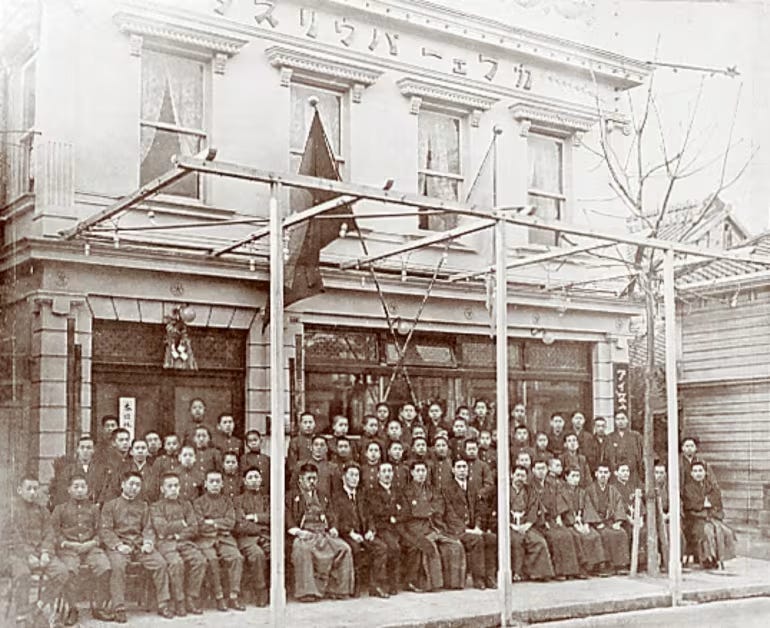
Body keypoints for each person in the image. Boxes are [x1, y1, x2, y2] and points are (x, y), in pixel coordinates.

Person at [100, 471, 173, 622]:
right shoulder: (110, 505)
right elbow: (105, 530)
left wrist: (148, 542)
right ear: (123, 485)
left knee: (160, 563)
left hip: (139, 545)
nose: (134, 488)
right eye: (131, 484)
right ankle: (119, 607)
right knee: (118, 567)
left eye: (138, 485)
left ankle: (163, 604)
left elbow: (148, 527)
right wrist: (118, 545)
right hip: (120, 546)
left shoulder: (143, 506)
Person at [6, 476, 68, 627]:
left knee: (62, 572)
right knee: (23, 574)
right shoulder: (11, 511)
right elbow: (12, 537)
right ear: (19, 490)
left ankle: (38, 606)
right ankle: (21, 614)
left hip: (41, 553)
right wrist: (28, 555)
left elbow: (49, 533)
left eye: (35, 489)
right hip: (18, 555)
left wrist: (46, 552)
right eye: (29, 489)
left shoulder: (43, 511)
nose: (33, 492)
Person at [286, 462, 354, 601]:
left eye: (314, 478)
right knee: (303, 550)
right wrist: (298, 532)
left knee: (344, 548)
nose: (312, 482)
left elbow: (332, 514)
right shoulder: (291, 497)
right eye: (309, 478)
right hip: (304, 534)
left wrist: (333, 527)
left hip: (323, 533)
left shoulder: (323, 496)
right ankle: (308, 592)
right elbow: (288, 518)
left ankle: (338, 590)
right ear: (300, 479)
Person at [51, 474, 112, 624]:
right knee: (70, 570)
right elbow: (54, 532)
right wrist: (66, 544)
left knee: (104, 566)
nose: (79, 490)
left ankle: (99, 607)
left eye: (83, 487)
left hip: (90, 547)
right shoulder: (60, 509)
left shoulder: (94, 509)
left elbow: (101, 531)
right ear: (69, 489)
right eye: (76, 487)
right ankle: (73, 608)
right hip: (69, 549)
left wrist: (92, 543)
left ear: (87, 489)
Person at [399, 460, 465, 592]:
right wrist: (426, 511)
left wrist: (425, 510)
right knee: (430, 546)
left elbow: (439, 508)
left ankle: (453, 582)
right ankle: (432, 584)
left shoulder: (432, 490)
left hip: (435, 526)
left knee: (455, 545)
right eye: (418, 471)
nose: (421, 474)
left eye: (423, 471)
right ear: (412, 473)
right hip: (416, 529)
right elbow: (409, 513)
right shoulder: (406, 491)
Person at [150, 473, 207, 616]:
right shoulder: (156, 507)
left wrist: (178, 534)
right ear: (162, 489)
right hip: (165, 544)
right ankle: (179, 601)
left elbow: (194, 527)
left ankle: (191, 598)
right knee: (176, 563)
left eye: (176, 486)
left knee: (200, 561)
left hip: (184, 541)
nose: (173, 489)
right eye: (169, 486)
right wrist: (182, 523)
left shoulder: (186, 505)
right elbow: (161, 528)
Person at [331, 462, 389, 598]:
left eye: (357, 475)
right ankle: (354, 586)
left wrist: (371, 530)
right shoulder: (337, 497)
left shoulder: (362, 495)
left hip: (363, 534)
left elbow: (369, 515)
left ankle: (375, 586)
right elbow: (336, 519)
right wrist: (350, 533)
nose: (354, 478)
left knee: (381, 548)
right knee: (355, 549)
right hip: (347, 534)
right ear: (344, 477)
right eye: (351, 475)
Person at [193, 470, 246, 611]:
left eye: (218, 482)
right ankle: (219, 596)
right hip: (205, 539)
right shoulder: (198, 503)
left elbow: (230, 522)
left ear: (222, 484)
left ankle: (233, 596)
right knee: (212, 560)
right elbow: (199, 524)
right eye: (211, 481)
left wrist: (212, 522)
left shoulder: (227, 502)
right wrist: (219, 523)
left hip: (225, 538)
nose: (215, 484)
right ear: (205, 484)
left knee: (236, 558)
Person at [529, 459, 581, 580]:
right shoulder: (530, 486)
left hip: (551, 519)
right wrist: (544, 520)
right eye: (538, 469)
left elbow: (555, 503)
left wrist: (557, 517)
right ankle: (558, 571)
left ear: (547, 470)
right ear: (533, 470)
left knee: (567, 534)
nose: (541, 472)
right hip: (537, 521)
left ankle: (570, 570)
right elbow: (535, 505)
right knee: (555, 537)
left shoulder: (550, 485)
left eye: (543, 468)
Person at [442, 458, 487, 589]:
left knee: (492, 539)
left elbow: (479, 510)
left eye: (464, 467)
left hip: (473, 529)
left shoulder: (473, 488)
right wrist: (465, 529)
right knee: (476, 540)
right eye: (459, 467)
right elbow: (449, 514)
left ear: (468, 470)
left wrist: (477, 526)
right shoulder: (447, 489)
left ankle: (489, 577)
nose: (462, 470)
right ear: (453, 470)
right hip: (456, 530)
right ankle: (478, 578)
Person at [682, 461, 736, 568]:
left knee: (726, 531)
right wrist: (704, 504)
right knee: (707, 531)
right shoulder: (687, 488)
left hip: (711, 518)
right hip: (694, 521)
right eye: (695, 471)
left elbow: (716, 503)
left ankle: (720, 558)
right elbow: (690, 505)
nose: (698, 473)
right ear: (691, 474)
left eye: (700, 471)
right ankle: (708, 558)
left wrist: (704, 505)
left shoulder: (711, 487)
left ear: (705, 472)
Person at [508, 466, 554, 582]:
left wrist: (527, 525)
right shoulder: (505, 490)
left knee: (539, 541)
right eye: (517, 475)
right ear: (512, 475)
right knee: (516, 541)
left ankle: (537, 573)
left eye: (523, 476)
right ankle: (517, 573)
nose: (520, 478)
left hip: (526, 525)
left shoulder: (530, 491)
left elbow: (534, 508)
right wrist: (511, 525)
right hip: (509, 525)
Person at [233, 467, 271, 606]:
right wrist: (261, 527)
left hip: (266, 536)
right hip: (246, 538)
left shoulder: (267, 499)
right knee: (257, 554)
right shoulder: (237, 501)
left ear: (261, 480)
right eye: (250, 477)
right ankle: (261, 591)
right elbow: (240, 524)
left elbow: (272, 516)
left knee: (276, 552)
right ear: (244, 481)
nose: (254, 480)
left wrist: (255, 517)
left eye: (256, 477)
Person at [364, 462, 403, 595]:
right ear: (378, 474)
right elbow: (378, 512)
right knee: (391, 547)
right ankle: (379, 584)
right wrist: (393, 513)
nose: (387, 474)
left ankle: (394, 583)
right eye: (384, 471)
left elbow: (404, 509)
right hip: (381, 528)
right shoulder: (372, 492)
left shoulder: (397, 491)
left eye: (389, 471)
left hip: (397, 527)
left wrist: (395, 515)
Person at [584, 464, 629, 574]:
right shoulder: (589, 490)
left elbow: (619, 505)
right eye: (601, 472)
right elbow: (588, 507)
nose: (603, 475)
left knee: (621, 533)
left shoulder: (613, 490)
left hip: (609, 521)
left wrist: (618, 522)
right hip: (595, 522)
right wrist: (597, 522)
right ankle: (604, 565)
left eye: (605, 473)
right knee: (604, 534)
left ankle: (620, 565)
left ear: (609, 475)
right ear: (596, 474)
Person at [561, 468, 606, 575]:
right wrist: (575, 524)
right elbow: (563, 510)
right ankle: (582, 567)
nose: (576, 479)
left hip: (583, 521)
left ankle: (595, 566)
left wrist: (586, 524)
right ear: (566, 477)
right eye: (573, 476)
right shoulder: (561, 492)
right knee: (577, 536)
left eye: (577, 476)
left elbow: (588, 508)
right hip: (569, 523)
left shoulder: (582, 492)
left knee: (594, 535)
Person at [50, 434, 102, 507]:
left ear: (93, 450)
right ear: (77, 450)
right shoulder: (68, 471)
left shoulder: (101, 471)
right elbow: (62, 493)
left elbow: (104, 492)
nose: (85, 451)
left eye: (89, 448)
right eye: (82, 447)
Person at [95, 428, 132, 506]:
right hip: (110, 501)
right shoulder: (105, 461)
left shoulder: (131, 460)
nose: (125, 443)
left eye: (127, 440)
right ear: (113, 443)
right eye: (121, 440)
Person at [606, 413, 643, 486]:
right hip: (615, 474)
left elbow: (640, 455)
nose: (620, 421)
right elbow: (607, 457)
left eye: (622, 419)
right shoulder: (609, 437)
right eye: (618, 419)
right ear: (615, 421)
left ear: (627, 420)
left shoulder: (636, 436)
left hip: (632, 473)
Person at [464, 439, 494, 505]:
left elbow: (489, 483)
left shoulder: (483, 466)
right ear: (465, 450)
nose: (472, 451)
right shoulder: (462, 465)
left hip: (479, 501)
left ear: (477, 450)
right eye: (469, 449)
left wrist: (481, 494)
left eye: (474, 449)